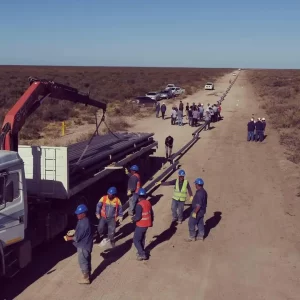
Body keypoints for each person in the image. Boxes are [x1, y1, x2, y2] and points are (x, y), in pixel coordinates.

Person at [64, 204, 93, 284]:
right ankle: (88, 275)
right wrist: (75, 231)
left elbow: (77, 238)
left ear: (84, 214)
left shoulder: (83, 223)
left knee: (83, 261)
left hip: (83, 246)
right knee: (87, 261)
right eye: (77, 213)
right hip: (87, 245)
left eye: (79, 214)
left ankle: (86, 278)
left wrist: (68, 238)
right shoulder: (85, 220)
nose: (77, 215)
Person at [132, 188, 154, 261]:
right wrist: (151, 222)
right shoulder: (148, 202)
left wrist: (133, 219)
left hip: (141, 225)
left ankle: (142, 254)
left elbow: (138, 217)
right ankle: (141, 251)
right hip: (147, 224)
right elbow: (152, 213)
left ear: (139, 196)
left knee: (136, 240)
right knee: (142, 238)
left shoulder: (139, 205)